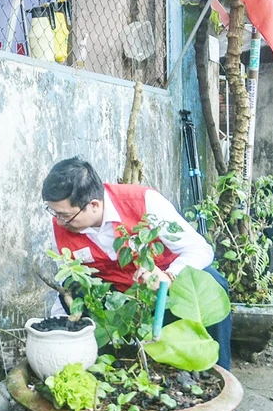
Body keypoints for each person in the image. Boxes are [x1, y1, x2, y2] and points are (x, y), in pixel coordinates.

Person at [41, 157, 232, 370]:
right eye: (55, 213)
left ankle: (219, 374)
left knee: (212, 282)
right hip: (116, 300)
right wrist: (58, 328)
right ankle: (104, 369)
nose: (58, 221)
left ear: (94, 205)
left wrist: (170, 276)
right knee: (75, 287)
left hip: (163, 290)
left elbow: (200, 249)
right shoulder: (62, 226)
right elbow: (68, 288)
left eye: (65, 215)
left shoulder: (143, 202)